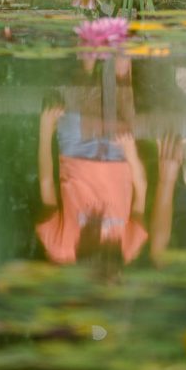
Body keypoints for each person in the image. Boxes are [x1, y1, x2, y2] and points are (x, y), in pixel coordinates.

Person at [36, 101, 148, 266]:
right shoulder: (126, 250)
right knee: (119, 90)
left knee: (74, 94)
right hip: (119, 154)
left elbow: (47, 185)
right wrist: (130, 152)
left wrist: (45, 132)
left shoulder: (60, 248)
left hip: (75, 151)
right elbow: (141, 189)